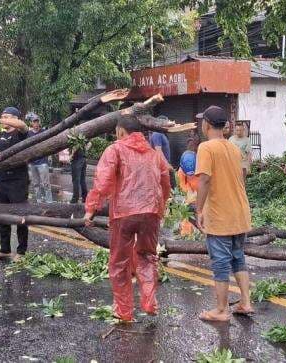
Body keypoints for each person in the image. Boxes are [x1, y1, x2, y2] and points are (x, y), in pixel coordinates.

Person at [84, 115, 171, 322]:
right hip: (151, 212)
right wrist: (162, 205)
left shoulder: (115, 149)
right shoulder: (154, 154)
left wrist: (91, 209)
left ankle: (124, 311)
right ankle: (149, 301)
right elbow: (165, 181)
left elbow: (103, 182)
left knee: (119, 263)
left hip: (124, 213)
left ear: (120, 132)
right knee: (147, 257)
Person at [195, 105, 253, 322]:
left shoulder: (206, 148)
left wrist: (199, 209)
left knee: (220, 262)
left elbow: (205, 180)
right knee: (238, 258)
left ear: (207, 124)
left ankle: (221, 310)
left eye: (202, 121)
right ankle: (245, 302)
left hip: (221, 215)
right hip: (240, 212)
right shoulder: (233, 148)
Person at [0, 107, 30, 262]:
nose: (3, 119)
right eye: (1, 116)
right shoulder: (1, 135)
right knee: (1, 215)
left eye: (7, 117)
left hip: (18, 181)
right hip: (2, 180)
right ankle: (4, 250)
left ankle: (21, 252)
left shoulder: (21, 133)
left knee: (20, 216)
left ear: (16, 118)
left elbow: (23, 125)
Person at [26, 112, 53, 203]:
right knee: (36, 184)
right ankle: (38, 201)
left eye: (37, 121)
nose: (36, 123)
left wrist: (49, 157)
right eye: (34, 122)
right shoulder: (28, 133)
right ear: (31, 123)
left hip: (43, 162)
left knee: (46, 183)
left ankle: (49, 202)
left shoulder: (43, 132)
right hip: (33, 163)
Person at [177, 139, 199, 236]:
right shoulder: (181, 171)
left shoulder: (201, 164)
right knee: (186, 212)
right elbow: (182, 184)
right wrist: (189, 192)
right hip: (190, 194)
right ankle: (186, 233)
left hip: (201, 192)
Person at [149, 118, 175, 189]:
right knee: (169, 189)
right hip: (162, 167)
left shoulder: (160, 134)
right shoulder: (157, 134)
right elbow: (158, 151)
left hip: (163, 167)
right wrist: (167, 165)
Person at [70, 138, 89, 204]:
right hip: (83, 158)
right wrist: (84, 151)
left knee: (76, 180)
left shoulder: (74, 133)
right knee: (82, 180)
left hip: (76, 159)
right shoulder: (84, 133)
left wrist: (71, 155)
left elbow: (76, 146)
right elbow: (89, 143)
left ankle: (75, 198)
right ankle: (85, 197)